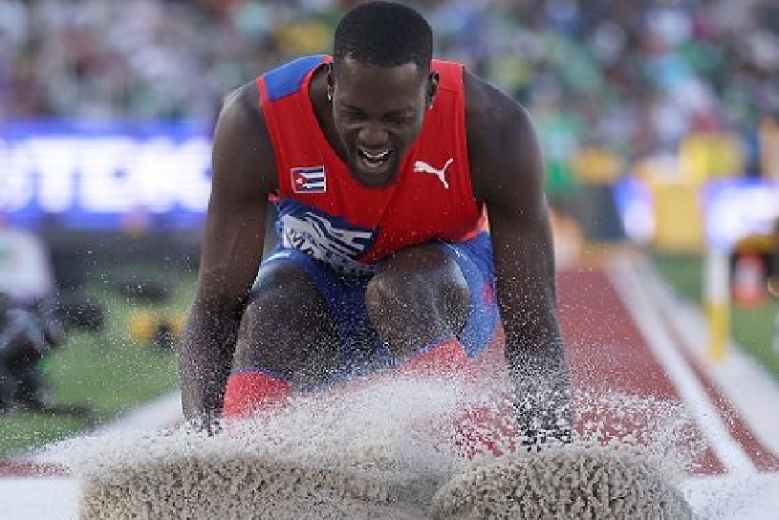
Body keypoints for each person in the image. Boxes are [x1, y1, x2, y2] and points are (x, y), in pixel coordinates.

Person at [178, 1, 572, 448]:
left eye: (396, 119)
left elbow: (533, 320)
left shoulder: (496, 130)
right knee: (270, 308)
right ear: (331, 88)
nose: (372, 137)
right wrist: (203, 454)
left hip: (439, 298)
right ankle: (244, 463)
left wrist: (548, 455)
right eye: (355, 114)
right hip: (320, 294)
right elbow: (215, 306)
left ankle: (467, 458)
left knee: (403, 289)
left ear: (430, 93)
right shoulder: (256, 122)